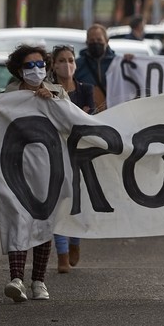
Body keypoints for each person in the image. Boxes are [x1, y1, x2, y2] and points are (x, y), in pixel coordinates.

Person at [0, 44, 71, 302]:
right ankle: (16, 279)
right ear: (19, 71)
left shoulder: (58, 93)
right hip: (16, 170)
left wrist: (53, 102)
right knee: (17, 219)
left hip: (48, 170)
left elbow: (70, 125)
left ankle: (39, 281)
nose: (36, 70)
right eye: (29, 66)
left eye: (40, 64)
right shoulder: (6, 99)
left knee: (43, 221)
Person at [49, 44, 95, 273]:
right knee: (60, 202)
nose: (67, 65)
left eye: (70, 60)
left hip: (82, 153)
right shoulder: (48, 91)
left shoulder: (86, 89)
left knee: (79, 202)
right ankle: (62, 254)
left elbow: (91, 118)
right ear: (53, 65)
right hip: (56, 153)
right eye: (61, 60)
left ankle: (75, 241)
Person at [75, 23, 116, 113]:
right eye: (92, 40)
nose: (96, 43)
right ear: (87, 42)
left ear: (107, 41)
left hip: (114, 113)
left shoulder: (117, 63)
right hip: (87, 114)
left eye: (99, 40)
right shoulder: (77, 65)